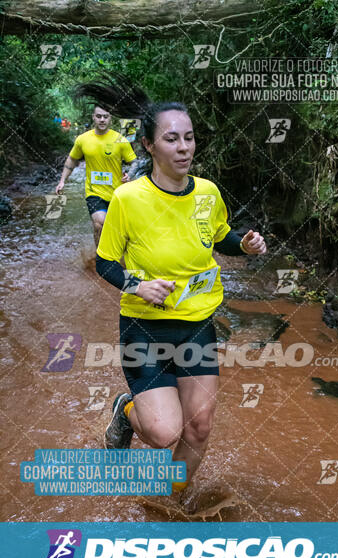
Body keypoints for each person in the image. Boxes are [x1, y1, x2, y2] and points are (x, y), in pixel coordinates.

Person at [94, 86, 266, 497]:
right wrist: (138, 285)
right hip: (145, 328)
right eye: (171, 139)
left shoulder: (207, 192)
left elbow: (220, 236)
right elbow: (104, 263)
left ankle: (168, 501)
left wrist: (242, 244)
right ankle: (126, 409)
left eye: (188, 137)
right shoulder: (128, 199)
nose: (183, 147)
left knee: (200, 426)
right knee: (163, 433)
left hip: (197, 325)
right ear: (149, 146)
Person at [55, 105, 137, 246]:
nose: (102, 120)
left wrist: (130, 175)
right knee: (99, 223)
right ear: (93, 117)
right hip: (94, 192)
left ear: (110, 119)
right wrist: (62, 180)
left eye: (106, 116)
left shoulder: (120, 140)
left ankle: (117, 256)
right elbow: (72, 159)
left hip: (118, 193)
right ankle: (100, 259)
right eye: (99, 116)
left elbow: (134, 163)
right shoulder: (82, 139)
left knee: (121, 231)